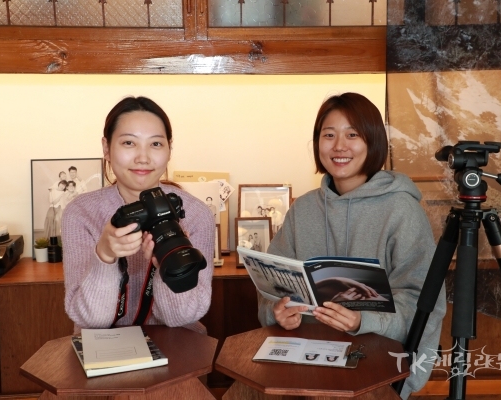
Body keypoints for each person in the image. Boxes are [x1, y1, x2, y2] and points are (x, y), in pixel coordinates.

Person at [257, 92, 446, 399]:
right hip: (304, 355)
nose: (339, 146)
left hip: (375, 357)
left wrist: (363, 320)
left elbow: (424, 302)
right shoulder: (303, 209)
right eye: (328, 135)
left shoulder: (402, 209)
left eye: (352, 135)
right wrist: (276, 311)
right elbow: (270, 289)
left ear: (373, 141)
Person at [62, 96, 215, 334]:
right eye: (129, 143)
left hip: (177, 347)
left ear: (169, 149)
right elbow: (92, 320)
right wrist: (105, 255)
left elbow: (181, 317)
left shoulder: (194, 214)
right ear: (106, 148)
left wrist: (166, 262)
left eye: (155, 144)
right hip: (103, 350)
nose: (143, 157)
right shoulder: (81, 212)